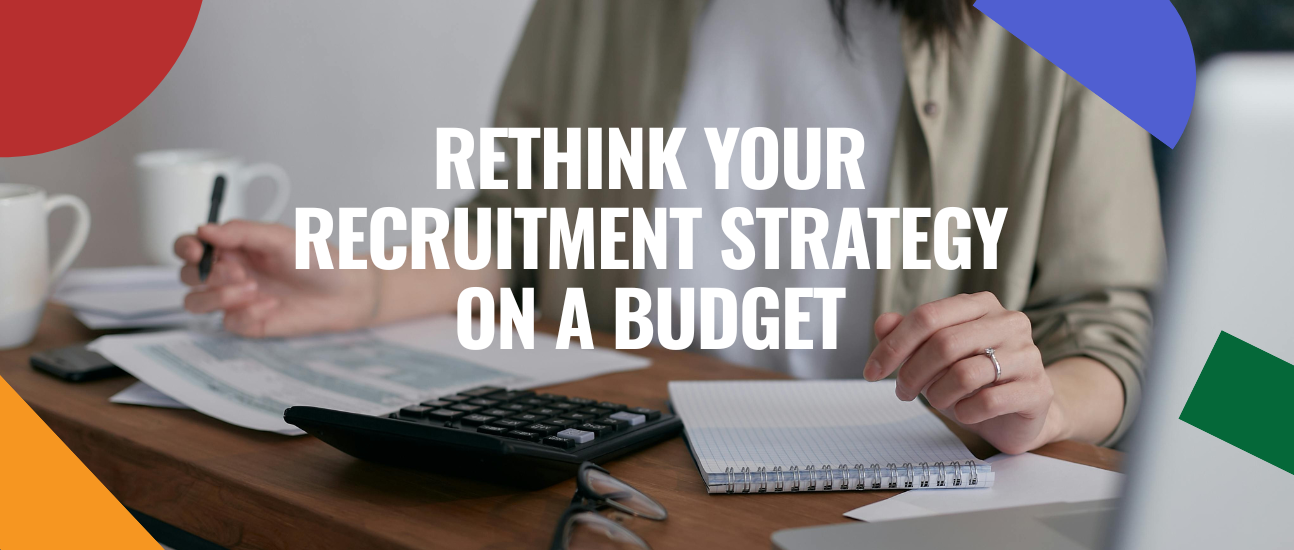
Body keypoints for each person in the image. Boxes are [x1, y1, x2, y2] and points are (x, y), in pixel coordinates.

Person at [173, 0, 1163, 455]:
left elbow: (1116, 329)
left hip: (896, 489)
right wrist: (365, 285)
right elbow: (528, 226)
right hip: (625, 468)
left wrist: (1039, 403)